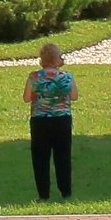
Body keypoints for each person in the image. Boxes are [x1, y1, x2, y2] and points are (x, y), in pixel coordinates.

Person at [24, 43, 76, 200]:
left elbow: (26, 98)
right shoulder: (66, 77)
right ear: (56, 59)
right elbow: (74, 96)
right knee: (63, 156)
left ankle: (43, 194)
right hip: (62, 120)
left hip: (40, 121)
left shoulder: (34, 77)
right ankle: (65, 192)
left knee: (40, 158)